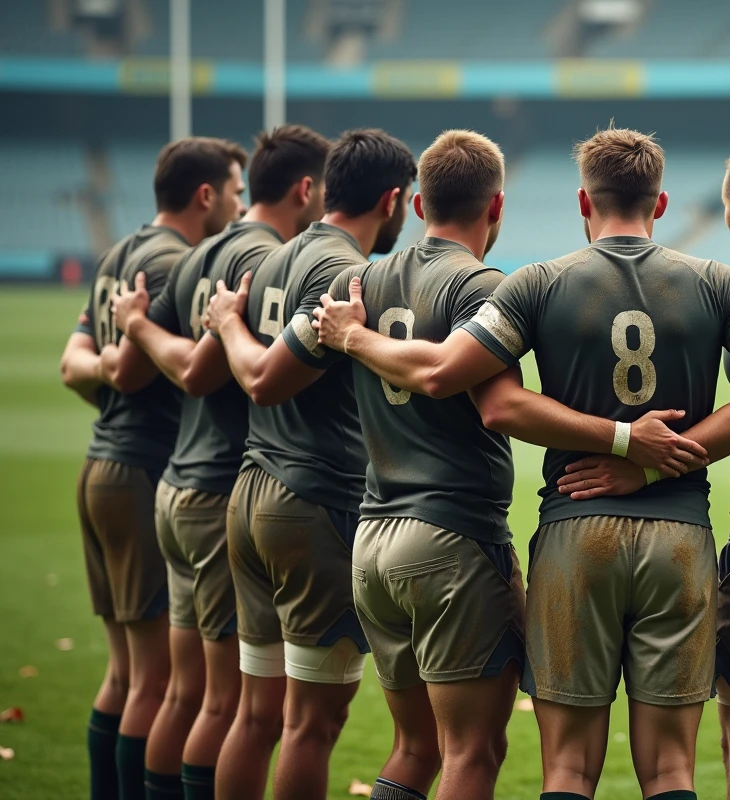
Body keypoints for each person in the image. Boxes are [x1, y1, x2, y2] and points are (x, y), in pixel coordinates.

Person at [312, 128, 730, 800]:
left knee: (567, 770)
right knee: (672, 772)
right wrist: (649, 457)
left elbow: (483, 395)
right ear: (660, 204)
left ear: (583, 200)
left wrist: (352, 336)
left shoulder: (536, 284)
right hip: (681, 540)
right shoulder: (717, 282)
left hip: (575, 534)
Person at [108, 125, 331, 800]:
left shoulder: (203, 251)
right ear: (305, 188)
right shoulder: (269, 259)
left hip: (177, 485)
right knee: (230, 707)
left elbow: (178, 366)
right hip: (217, 493)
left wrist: (140, 328)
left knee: (185, 696)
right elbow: (206, 373)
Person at [202, 128, 415, 800]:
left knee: (256, 713)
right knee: (310, 725)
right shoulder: (340, 271)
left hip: (253, 489)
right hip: (313, 500)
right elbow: (266, 379)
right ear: (393, 199)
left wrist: (229, 326)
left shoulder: (275, 258)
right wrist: (230, 330)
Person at [58, 136, 247, 800]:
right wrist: (137, 358)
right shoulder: (175, 263)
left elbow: (73, 366)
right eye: (234, 190)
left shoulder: (122, 252)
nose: (238, 203)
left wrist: (109, 372)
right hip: (143, 468)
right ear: (206, 195)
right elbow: (169, 369)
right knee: (156, 683)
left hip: (101, 463)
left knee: (124, 675)